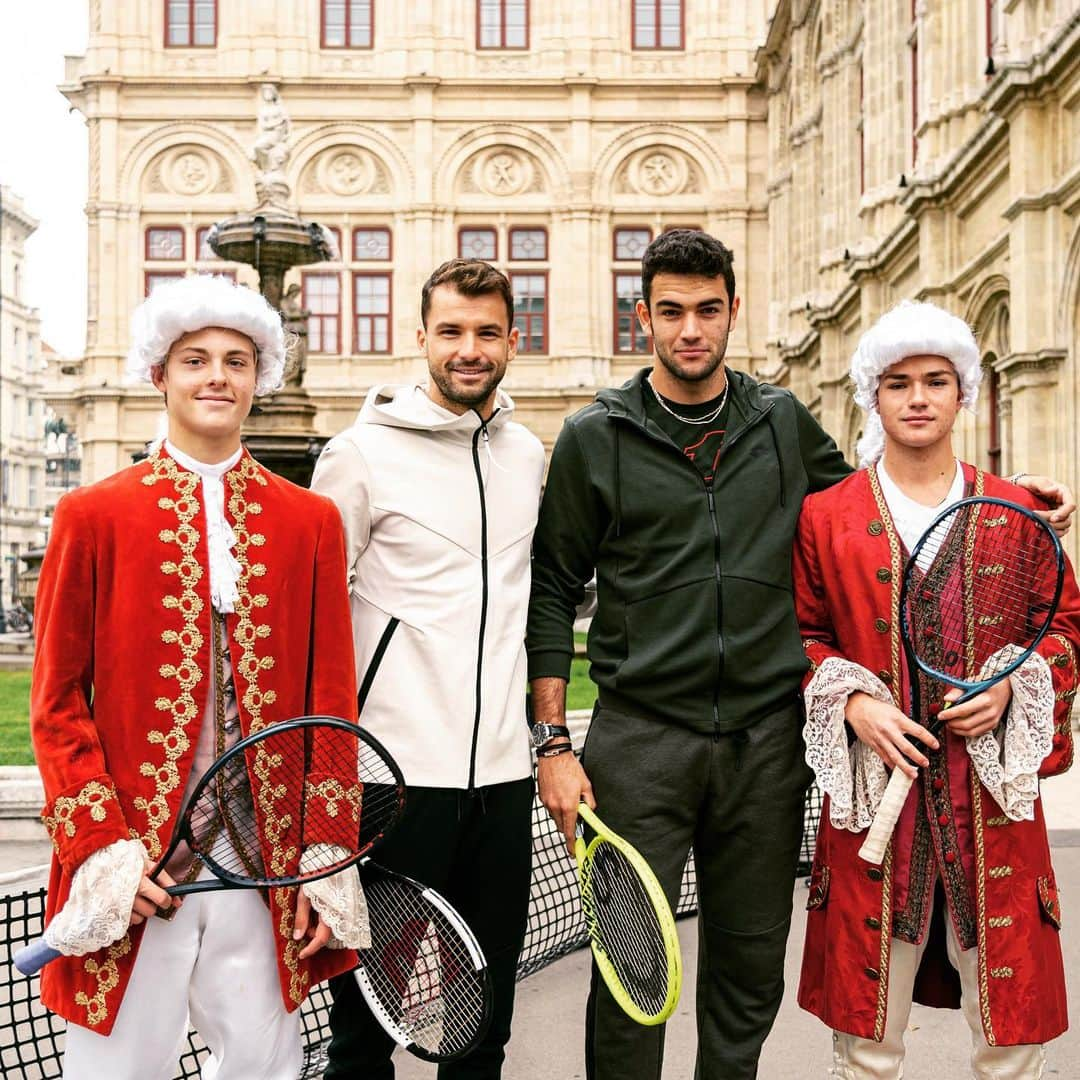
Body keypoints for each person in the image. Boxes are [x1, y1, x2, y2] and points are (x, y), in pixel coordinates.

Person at [525, 229, 1074, 1080]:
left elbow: (884, 485)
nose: (691, 329)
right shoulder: (593, 437)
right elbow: (553, 592)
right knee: (627, 970)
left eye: (709, 309)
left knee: (748, 974)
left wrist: (1015, 496)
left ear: (734, 312)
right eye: (670, 311)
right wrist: (555, 747)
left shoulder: (778, 420)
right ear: (644, 318)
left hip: (763, 744)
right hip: (639, 742)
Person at [32, 274, 366, 1080]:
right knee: (116, 1070)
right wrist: (103, 850)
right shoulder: (91, 513)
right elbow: (55, 703)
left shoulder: (309, 519)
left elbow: (330, 698)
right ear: (161, 375)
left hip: (264, 862)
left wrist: (326, 854)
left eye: (237, 360)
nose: (218, 375)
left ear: (260, 378)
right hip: (141, 867)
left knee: (265, 1066)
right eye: (196, 359)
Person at [793, 300, 1079, 1078]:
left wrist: (1015, 688)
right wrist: (853, 705)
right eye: (897, 383)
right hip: (874, 797)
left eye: (935, 381)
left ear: (964, 395)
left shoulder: (1021, 511)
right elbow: (802, 636)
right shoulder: (825, 515)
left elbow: (1066, 628)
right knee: (866, 1039)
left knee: (1011, 1040)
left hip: (989, 799)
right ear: (872, 398)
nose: (917, 397)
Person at [311, 258, 546, 1079]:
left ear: (514, 341)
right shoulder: (359, 454)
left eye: (487, 332)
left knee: (482, 1029)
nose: (469, 349)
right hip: (393, 782)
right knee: (364, 1029)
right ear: (422, 339)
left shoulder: (527, 455)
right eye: (451, 332)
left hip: (503, 786)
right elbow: (315, 617)